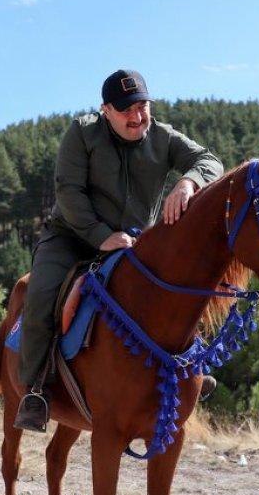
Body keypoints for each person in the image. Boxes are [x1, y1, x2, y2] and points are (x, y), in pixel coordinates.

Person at [13, 69, 224, 432]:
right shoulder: (82, 133)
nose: (137, 117)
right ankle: (36, 390)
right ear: (105, 110)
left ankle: (190, 370)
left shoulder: (162, 137)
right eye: (126, 109)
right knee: (42, 296)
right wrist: (101, 236)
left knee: (181, 287)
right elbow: (69, 193)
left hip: (132, 242)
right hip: (71, 237)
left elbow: (210, 161)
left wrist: (189, 182)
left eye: (142, 106)